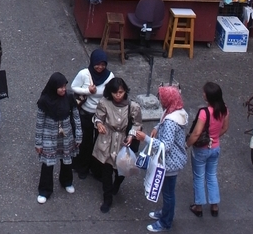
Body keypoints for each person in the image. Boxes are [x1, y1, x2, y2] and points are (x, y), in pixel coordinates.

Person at [136, 86, 189, 232]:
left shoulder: (171, 121)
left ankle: (166, 221)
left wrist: (145, 138)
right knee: (167, 192)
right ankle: (166, 212)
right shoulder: (177, 111)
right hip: (175, 160)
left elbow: (165, 146)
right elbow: (164, 123)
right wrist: (157, 127)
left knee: (168, 193)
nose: (160, 101)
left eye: (162, 98)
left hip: (169, 163)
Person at [92, 77, 142, 213]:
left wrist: (131, 135)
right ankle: (107, 198)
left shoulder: (133, 106)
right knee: (106, 172)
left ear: (125, 91)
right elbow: (98, 117)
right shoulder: (104, 103)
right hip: (107, 141)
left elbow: (137, 124)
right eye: (115, 93)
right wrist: (99, 124)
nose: (118, 95)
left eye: (120, 92)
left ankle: (117, 184)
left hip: (123, 142)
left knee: (122, 170)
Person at [34, 72, 80, 203]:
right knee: (47, 164)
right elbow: (39, 122)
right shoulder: (44, 101)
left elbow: (76, 117)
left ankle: (66, 181)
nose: (63, 89)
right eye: (60, 87)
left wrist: (79, 136)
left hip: (66, 135)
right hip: (49, 136)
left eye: (64, 86)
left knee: (67, 160)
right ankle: (45, 190)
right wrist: (38, 142)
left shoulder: (70, 97)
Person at [186, 82, 229, 218]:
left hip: (201, 150)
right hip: (215, 148)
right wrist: (214, 138)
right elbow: (225, 128)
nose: (202, 94)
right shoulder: (224, 110)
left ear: (209, 96)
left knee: (199, 177)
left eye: (204, 92)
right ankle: (214, 205)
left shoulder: (204, 113)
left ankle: (198, 206)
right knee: (211, 175)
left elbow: (197, 133)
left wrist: (187, 144)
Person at [71, 48, 114, 179]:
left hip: (101, 116)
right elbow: (73, 87)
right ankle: (82, 167)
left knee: (99, 144)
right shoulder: (84, 73)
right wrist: (88, 91)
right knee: (85, 142)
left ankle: (96, 170)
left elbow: (111, 93)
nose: (100, 67)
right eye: (97, 64)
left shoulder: (109, 77)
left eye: (103, 64)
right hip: (85, 113)